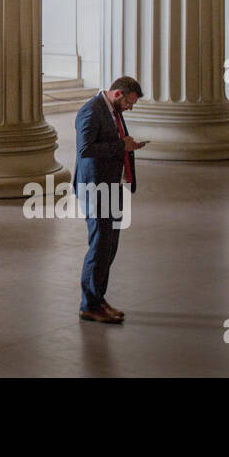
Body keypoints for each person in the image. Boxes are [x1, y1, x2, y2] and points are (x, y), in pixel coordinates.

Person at [74, 76, 144, 323]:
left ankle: (98, 299)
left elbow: (117, 141)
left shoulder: (112, 110)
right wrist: (120, 146)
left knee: (109, 247)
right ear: (118, 94)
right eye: (129, 103)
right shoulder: (90, 111)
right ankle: (89, 305)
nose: (130, 108)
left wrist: (126, 147)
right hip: (96, 189)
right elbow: (85, 150)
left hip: (112, 187)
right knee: (100, 246)